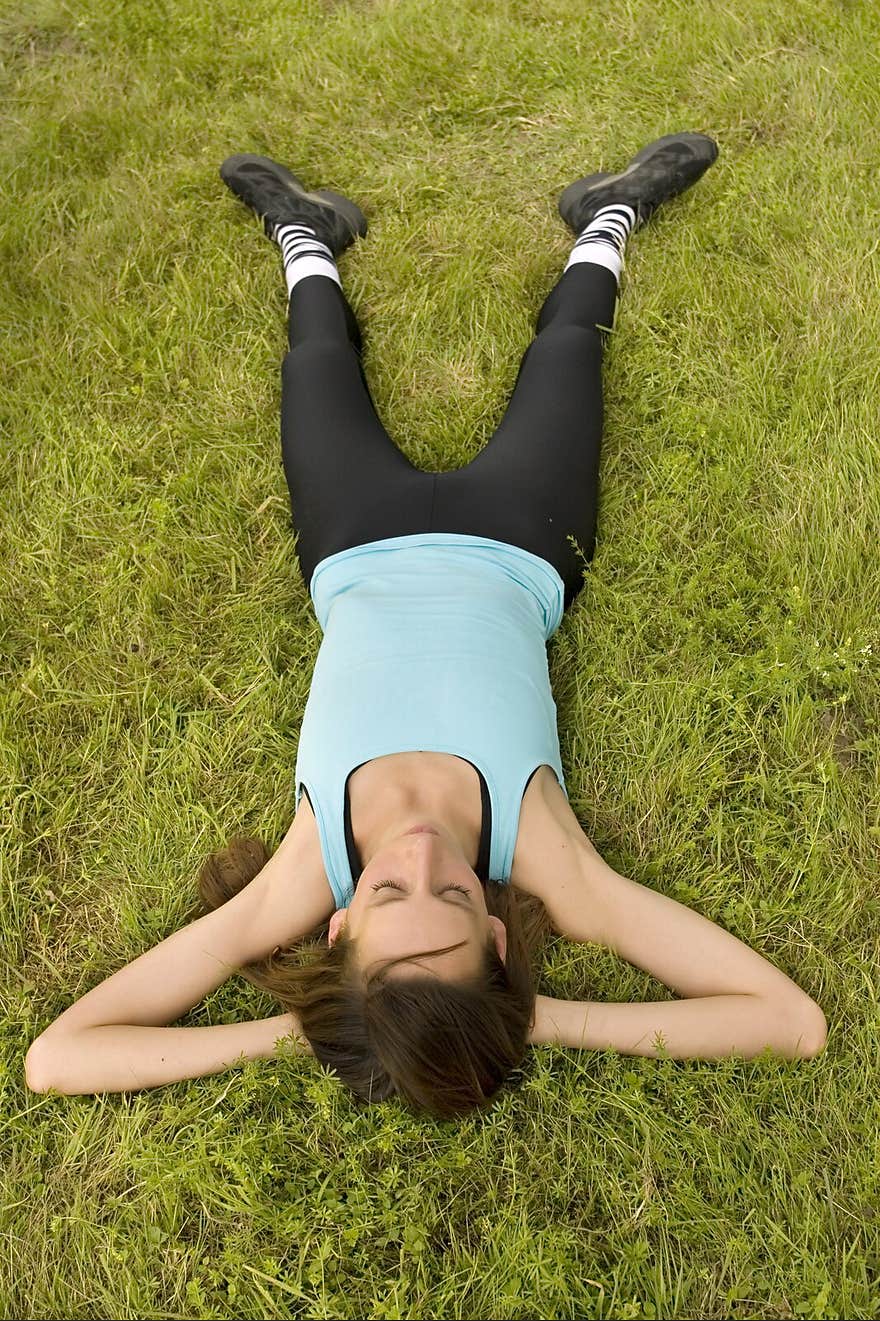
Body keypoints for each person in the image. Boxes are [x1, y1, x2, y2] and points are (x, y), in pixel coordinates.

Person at [25, 134, 826, 1117]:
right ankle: (606, 217)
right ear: (497, 939)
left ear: (338, 928)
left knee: (317, 358)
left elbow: (59, 1057)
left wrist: (303, 1029)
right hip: (519, 541)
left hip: (355, 544)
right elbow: (788, 1022)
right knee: (567, 352)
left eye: (386, 900)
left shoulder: (297, 882)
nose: (418, 861)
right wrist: (535, 1019)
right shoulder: (551, 866)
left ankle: (306, 236)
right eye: (452, 900)